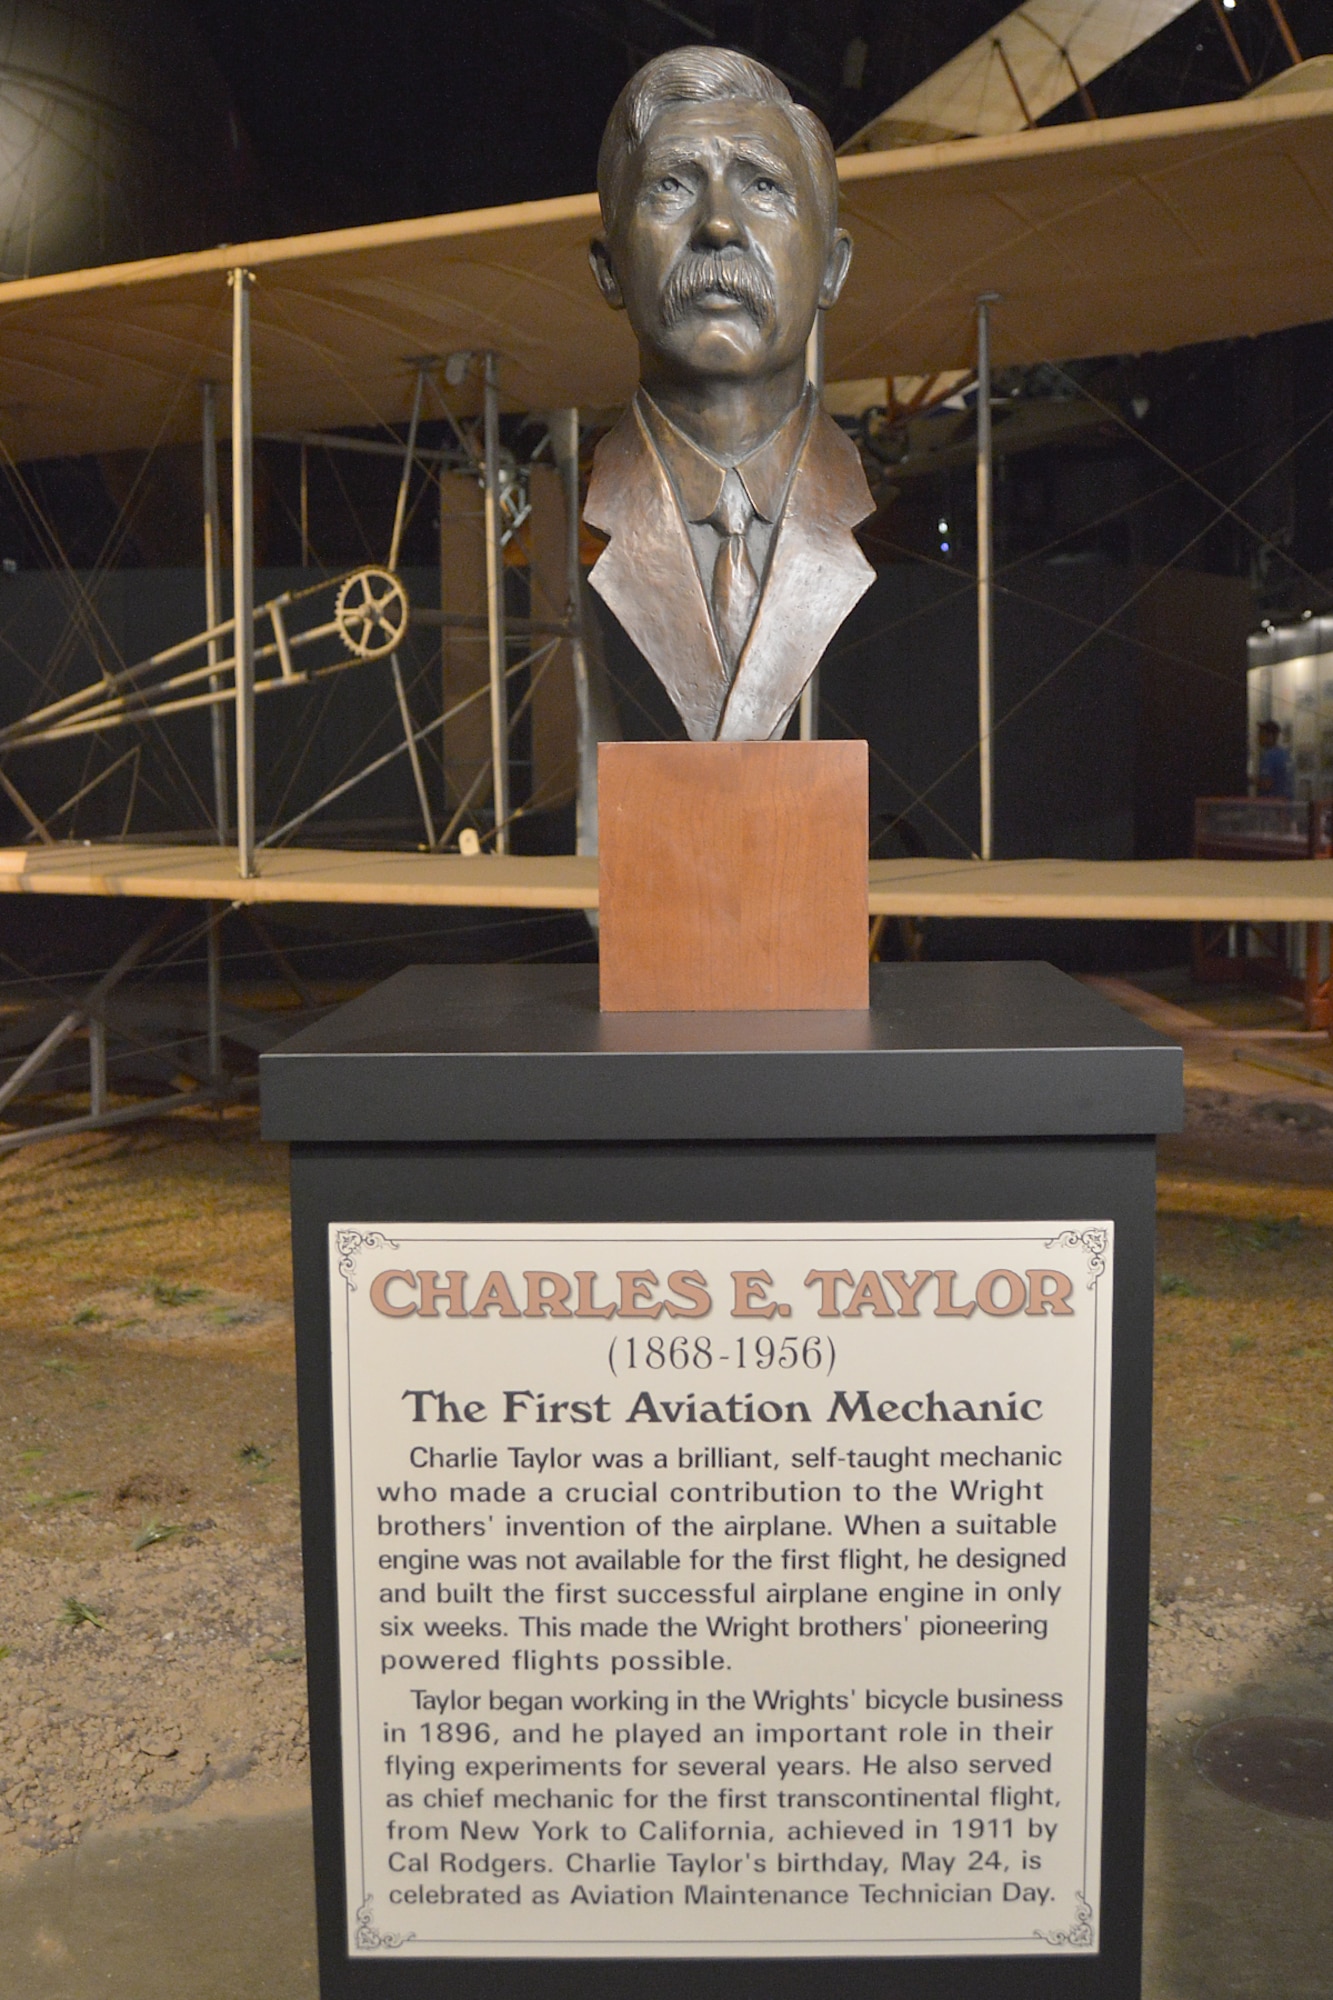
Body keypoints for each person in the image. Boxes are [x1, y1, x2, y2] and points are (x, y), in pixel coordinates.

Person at [584, 47, 874, 743]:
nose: (718, 224)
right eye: (672, 186)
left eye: (764, 187)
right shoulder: (593, 507)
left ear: (831, 269)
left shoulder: (853, 501)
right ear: (609, 269)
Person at [1255, 718, 1294, 799]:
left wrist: (1249, 779)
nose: (1258, 737)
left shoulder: (1269, 756)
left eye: (1261, 734)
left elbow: (1266, 784)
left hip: (1271, 806)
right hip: (1286, 805)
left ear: (1270, 736)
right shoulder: (1285, 754)